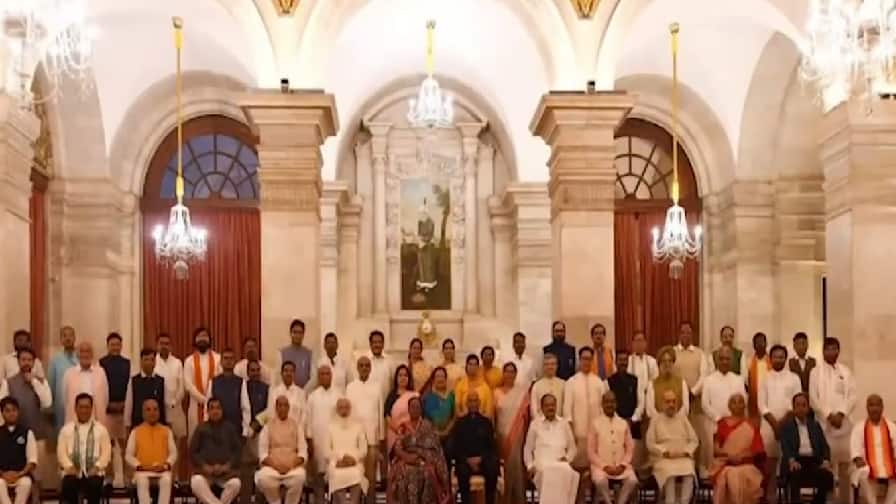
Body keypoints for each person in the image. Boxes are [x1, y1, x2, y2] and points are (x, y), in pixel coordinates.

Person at [809, 336, 856, 502]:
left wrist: (841, 414)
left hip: (844, 425)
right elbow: (813, 399)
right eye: (828, 349)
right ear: (823, 351)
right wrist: (829, 415)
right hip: (824, 425)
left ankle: (844, 500)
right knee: (826, 465)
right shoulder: (815, 372)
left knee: (845, 466)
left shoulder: (846, 371)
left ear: (838, 351)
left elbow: (852, 396)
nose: (831, 352)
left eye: (834, 348)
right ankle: (828, 500)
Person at [758, 344, 801, 503]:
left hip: (789, 425)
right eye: (775, 357)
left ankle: (790, 498)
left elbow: (796, 403)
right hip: (768, 426)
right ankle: (771, 497)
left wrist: (781, 424)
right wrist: (774, 424)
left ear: (785, 358)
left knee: (789, 460)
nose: (778, 360)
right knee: (769, 464)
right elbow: (761, 404)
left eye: (781, 357)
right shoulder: (765, 378)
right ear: (771, 359)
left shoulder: (794, 378)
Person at [387, 396, 451, 504]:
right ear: (408, 410)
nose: (415, 410)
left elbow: (435, 448)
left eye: (417, 407)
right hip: (405, 459)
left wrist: (421, 455)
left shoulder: (428, 426)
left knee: (427, 473)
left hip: (424, 460)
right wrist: (406, 457)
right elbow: (398, 447)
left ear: (421, 410)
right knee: (400, 473)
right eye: (412, 407)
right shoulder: (403, 426)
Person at [6, 348, 52, 486]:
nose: (26, 363)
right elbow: (3, 407)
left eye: (29, 360)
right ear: (18, 362)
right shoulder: (8, 382)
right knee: (18, 474)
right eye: (23, 359)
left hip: (37, 433)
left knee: (38, 475)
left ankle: (37, 496)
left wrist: (34, 382)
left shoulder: (40, 381)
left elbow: (47, 402)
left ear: (34, 362)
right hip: (15, 435)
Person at [709, 393, 764, 504]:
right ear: (729, 406)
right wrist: (730, 457)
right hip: (726, 464)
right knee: (731, 475)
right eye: (734, 402)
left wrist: (742, 457)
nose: (737, 405)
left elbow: (758, 450)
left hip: (746, 464)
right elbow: (716, 450)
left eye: (740, 402)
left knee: (743, 474)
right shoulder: (722, 424)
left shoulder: (751, 425)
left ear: (744, 405)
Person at [645, 390, 699, 504]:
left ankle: (684, 502)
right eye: (668, 401)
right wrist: (664, 452)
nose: (671, 405)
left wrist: (686, 452)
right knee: (669, 473)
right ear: (662, 403)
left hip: (682, 456)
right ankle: (670, 501)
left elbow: (694, 440)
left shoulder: (682, 418)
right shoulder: (656, 419)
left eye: (674, 401)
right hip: (663, 458)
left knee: (689, 472)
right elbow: (650, 443)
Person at [57, 393, 112, 504]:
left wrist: (97, 467)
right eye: (81, 407)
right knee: (69, 485)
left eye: (87, 407)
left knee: (94, 485)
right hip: (72, 472)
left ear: (91, 409)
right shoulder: (66, 430)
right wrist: (69, 466)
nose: (84, 411)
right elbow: (61, 453)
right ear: (75, 408)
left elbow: (106, 453)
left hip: (94, 473)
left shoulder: (101, 430)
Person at [523, 394, 579, 504]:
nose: (550, 408)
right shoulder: (535, 424)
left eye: (553, 405)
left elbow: (573, 448)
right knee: (548, 473)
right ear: (542, 407)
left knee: (568, 472)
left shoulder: (564, 423)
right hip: (542, 465)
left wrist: (567, 458)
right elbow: (527, 449)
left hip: (561, 463)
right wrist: (530, 466)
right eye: (547, 405)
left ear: (556, 406)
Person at [779, 392, 833, 504]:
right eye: (798, 405)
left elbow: (825, 446)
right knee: (795, 475)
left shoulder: (815, 425)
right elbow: (785, 447)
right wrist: (791, 460)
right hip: (796, 461)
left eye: (804, 405)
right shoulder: (787, 426)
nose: (801, 408)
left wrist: (826, 460)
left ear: (808, 408)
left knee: (827, 476)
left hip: (813, 461)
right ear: (793, 408)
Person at [672, 321, 710, 473]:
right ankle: (680, 470)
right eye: (683, 332)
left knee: (696, 436)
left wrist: (693, 392)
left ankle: (697, 469)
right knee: (679, 437)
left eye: (688, 332)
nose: (686, 335)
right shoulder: (672, 352)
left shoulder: (700, 354)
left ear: (692, 334)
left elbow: (704, 376)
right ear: (679, 334)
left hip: (695, 402)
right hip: (676, 403)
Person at [255, 396, 307, 504]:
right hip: (273, 468)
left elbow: (303, 452)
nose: (283, 408)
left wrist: (291, 465)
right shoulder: (267, 426)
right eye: (280, 405)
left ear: (289, 408)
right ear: (276, 408)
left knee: (300, 476)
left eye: (285, 405)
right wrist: (276, 466)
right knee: (263, 477)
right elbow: (262, 453)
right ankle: (275, 501)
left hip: (292, 468)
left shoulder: (296, 425)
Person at [189, 398, 242, 504]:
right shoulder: (201, 428)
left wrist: (227, 466)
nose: (215, 411)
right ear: (208, 411)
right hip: (206, 473)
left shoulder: (230, 428)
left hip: (226, 474)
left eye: (218, 408)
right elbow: (193, 452)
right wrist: (204, 466)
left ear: (222, 411)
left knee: (236, 483)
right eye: (212, 408)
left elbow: (238, 451)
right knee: (196, 482)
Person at [563, 348, 606, 478]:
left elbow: (603, 409)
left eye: (589, 359)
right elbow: (567, 411)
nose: (586, 362)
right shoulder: (571, 382)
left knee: (595, 469)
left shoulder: (599, 382)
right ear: (579, 360)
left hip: (595, 434)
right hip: (578, 434)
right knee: (578, 470)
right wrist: (571, 434)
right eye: (584, 359)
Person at [588, 390, 637, 504]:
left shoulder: (623, 423)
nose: (610, 405)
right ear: (602, 404)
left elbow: (630, 449)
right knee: (601, 481)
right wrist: (605, 466)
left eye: (612, 402)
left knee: (632, 480)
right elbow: (591, 452)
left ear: (616, 404)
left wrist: (623, 465)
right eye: (607, 402)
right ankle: (608, 502)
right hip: (601, 467)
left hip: (621, 466)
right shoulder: (595, 424)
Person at [345, 357, 383, 504]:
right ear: (357, 368)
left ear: (370, 368)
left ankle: (370, 501)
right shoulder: (350, 387)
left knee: (370, 476)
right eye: (361, 365)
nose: (364, 368)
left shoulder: (377, 386)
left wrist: (381, 438)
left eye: (367, 365)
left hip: (372, 437)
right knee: (355, 475)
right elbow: (347, 413)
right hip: (354, 439)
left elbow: (380, 412)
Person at [125, 398, 177, 504]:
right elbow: (128, 455)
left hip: (162, 470)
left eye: (155, 409)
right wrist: (139, 466)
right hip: (142, 470)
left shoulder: (167, 431)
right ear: (143, 413)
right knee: (142, 481)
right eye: (148, 410)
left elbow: (173, 453)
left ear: (159, 412)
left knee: (166, 480)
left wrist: (166, 465)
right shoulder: (136, 431)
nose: (152, 413)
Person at [453, 392, 499, 504]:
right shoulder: (460, 423)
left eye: (475, 401)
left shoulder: (486, 422)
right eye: (470, 401)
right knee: (462, 472)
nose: (473, 404)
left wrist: (481, 458)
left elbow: (491, 446)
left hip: (483, 460)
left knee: (492, 468)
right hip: (465, 461)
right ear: (466, 404)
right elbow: (456, 446)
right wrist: (467, 460)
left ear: (479, 403)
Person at [701, 347, 746, 458]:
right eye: (721, 359)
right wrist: (719, 419)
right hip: (714, 424)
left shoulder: (738, 379)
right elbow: (705, 404)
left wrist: (732, 420)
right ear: (717, 360)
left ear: (732, 361)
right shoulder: (708, 380)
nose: (724, 362)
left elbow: (743, 401)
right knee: (714, 457)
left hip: (734, 425)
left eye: (727, 359)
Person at [851, 394, 896, 504]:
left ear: (882, 407)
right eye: (871, 405)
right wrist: (858, 459)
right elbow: (855, 449)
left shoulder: (891, 426)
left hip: (888, 463)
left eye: (877, 405)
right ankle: (872, 502)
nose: (874, 408)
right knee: (864, 472)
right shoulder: (859, 427)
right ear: (867, 408)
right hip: (867, 463)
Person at [494, 362, 528, 504]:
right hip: (501, 436)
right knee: (504, 470)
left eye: (512, 371)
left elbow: (526, 416)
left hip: (518, 435)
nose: (509, 374)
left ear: (515, 374)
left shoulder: (522, 392)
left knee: (517, 468)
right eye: (507, 371)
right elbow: (494, 416)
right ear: (503, 374)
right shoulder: (496, 392)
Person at [99, 332, 131, 487]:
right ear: (108, 346)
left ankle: (127, 477)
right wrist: (108, 404)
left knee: (126, 446)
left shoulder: (127, 363)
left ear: (121, 346)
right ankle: (109, 478)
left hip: (124, 409)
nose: (115, 347)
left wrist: (125, 404)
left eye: (118, 344)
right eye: (112, 344)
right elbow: (100, 387)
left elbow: (129, 386)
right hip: (107, 410)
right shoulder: (101, 363)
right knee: (108, 446)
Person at [306, 364, 341, 502]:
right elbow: (308, 420)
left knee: (335, 475)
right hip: (317, 441)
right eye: (322, 374)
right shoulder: (312, 397)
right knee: (318, 476)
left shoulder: (339, 395)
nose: (325, 376)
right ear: (318, 377)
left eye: (328, 374)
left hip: (335, 441)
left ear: (331, 376)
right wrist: (309, 441)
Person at [184, 327, 221, 440]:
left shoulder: (218, 358)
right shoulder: (189, 360)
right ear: (195, 340)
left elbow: (219, 381)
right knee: (195, 438)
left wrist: (210, 401)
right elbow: (188, 385)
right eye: (199, 336)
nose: (202, 339)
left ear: (209, 339)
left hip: (214, 406)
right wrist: (205, 401)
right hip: (195, 406)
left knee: (213, 438)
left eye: (205, 336)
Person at [328, 398, 368, 504]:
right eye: (341, 408)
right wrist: (341, 458)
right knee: (336, 475)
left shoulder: (358, 426)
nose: (344, 410)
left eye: (346, 407)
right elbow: (326, 450)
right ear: (337, 409)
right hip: (337, 463)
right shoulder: (330, 426)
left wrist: (353, 459)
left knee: (357, 474)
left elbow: (363, 449)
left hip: (355, 462)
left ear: (350, 409)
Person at [62, 342, 109, 426]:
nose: (85, 354)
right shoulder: (69, 373)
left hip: (96, 421)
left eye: (88, 351)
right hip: (75, 420)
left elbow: (105, 398)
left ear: (92, 354)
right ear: (77, 354)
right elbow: (65, 400)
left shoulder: (101, 372)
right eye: (82, 351)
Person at [0, 397, 37, 504]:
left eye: (14, 410)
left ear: (18, 412)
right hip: (2, 476)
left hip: (21, 475)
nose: (11, 413)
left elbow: (32, 461)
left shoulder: (27, 433)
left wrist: (19, 474)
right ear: (2, 413)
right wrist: (3, 474)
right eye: (7, 411)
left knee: (26, 483)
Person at [154, 333, 186, 453]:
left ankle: (176, 466)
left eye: (167, 344)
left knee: (176, 445)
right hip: (158, 410)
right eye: (161, 343)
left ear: (171, 346)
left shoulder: (177, 363)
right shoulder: (153, 362)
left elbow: (181, 387)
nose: (164, 346)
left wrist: (174, 402)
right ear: (157, 345)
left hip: (175, 408)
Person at [207, 348, 250, 437]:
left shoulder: (241, 382)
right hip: (216, 430)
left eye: (231, 358)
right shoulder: (213, 382)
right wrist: (207, 429)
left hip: (236, 429)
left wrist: (245, 431)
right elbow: (207, 408)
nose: (228, 361)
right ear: (221, 362)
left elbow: (245, 408)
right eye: (226, 358)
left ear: (235, 361)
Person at [421, 366, 455, 478]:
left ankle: (447, 485)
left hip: (448, 435)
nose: (440, 379)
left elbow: (454, 417)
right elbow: (425, 418)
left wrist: (446, 431)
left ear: (446, 379)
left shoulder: (451, 396)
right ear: (433, 379)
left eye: (442, 376)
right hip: (432, 434)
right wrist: (434, 432)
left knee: (448, 453)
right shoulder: (427, 398)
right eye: (437, 376)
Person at [243, 360, 269, 504]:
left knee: (262, 468)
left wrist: (257, 425)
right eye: (252, 370)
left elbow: (269, 410)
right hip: (245, 433)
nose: (255, 373)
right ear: (247, 372)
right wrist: (248, 428)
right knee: (246, 470)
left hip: (262, 432)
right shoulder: (242, 386)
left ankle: (260, 500)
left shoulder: (266, 388)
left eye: (257, 370)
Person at [124, 348, 166, 431]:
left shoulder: (161, 381)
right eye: (146, 359)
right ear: (141, 362)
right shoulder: (134, 381)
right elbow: (129, 404)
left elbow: (164, 404)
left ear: (155, 362)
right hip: (138, 425)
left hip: (158, 425)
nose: (149, 362)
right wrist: (127, 425)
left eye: (152, 360)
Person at [646, 346, 690, 419]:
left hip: (678, 422)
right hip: (658, 423)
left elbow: (685, 408)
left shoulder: (682, 382)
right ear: (659, 364)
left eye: (670, 361)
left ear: (673, 363)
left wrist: (674, 420)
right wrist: (663, 421)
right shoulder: (652, 384)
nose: (667, 364)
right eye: (664, 361)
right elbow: (650, 410)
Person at [48, 326, 78, 433]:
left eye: (70, 335)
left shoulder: (80, 357)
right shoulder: (55, 360)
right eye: (64, 336)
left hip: (78, 404)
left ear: (75, 338)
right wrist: (50, 408)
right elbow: (51, 384)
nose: (68, 338)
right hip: (60, 406)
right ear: (61, 340)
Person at [385, 365, 418, 457]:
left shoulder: (414, 395)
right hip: (394, 433)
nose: (403, 378)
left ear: (409, 378)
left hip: (412, 432)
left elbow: (419, 416)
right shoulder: (391, 396)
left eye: (405, 375)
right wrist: (398, 429)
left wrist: (409, 429)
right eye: (400, 375)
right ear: (396, 378)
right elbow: (387, 416)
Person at [608, 349, 643, 427]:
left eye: (625, 360)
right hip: (614, 424)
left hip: (633, 423)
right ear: (615, 362)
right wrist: (619, 421)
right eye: (620, 360)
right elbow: (608, 404)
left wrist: (633, 419)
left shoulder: (635, 380)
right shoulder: (608, 381)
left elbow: (640, 402)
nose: (623, 363)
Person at [455, 354, 495, 420]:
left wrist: (479, 418)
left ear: (478, 367)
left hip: (481, 422)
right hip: (464, 421)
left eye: (475, 365)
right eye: (470, 364)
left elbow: (489, 413)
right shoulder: (460, 384)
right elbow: (457, 409)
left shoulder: (485, 387)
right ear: (466, 366)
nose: (472, 367)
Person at [531, 354, 565, 419]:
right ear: (543, 367)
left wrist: (562, 422)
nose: (550, 367)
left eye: (552, 364)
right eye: (547, 364)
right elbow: (534, 410)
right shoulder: (537, 385)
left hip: (560, 423)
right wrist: (539, 423)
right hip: (541, 423)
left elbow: (566, 407)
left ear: (557, 366)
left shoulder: (563, 384)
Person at [280, 320, 312, 389]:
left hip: (304, 391)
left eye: (300, 333)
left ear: (303, 334)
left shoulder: (309, 353)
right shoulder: (282, 353)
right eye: (295, 332)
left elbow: (312, 376)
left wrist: (304, 391)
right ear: (290, 333)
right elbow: (278, 377)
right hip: (287, 391)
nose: (297, 335)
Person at [746, 332, 770, 418]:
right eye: (757, 342)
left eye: (762, 342)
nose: (760, 345)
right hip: (754, 398)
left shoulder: (772, 360)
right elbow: (746, 381)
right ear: (753, 345)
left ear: (766, 344)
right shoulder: (749, 361)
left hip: (769, 397)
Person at [364, 330, 394, 401]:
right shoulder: (364, 361)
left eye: (379, 342)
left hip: (385, 401)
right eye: (374, 342)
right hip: (368, 402)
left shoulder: (390, 361)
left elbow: (393, 383)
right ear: (370, 344)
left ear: (383, 344)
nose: (377, 345)